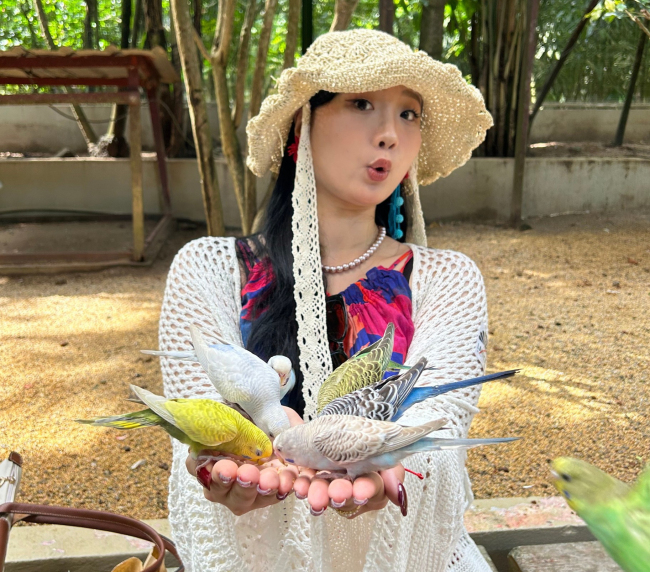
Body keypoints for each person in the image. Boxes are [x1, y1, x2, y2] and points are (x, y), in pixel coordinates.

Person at [159, 29, 494, 572]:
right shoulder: (209, 268)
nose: (389, 133)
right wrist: (214, 462)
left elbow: (441, 415)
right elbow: (201, 410)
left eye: (408, 114)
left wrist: (406, 465)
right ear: (301, 126)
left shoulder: (447, 279)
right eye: (361, 103)